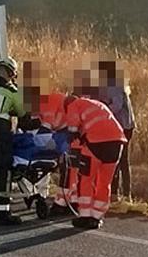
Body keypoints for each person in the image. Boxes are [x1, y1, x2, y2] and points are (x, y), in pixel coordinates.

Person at [37, 88, 127, 229]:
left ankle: (85, 215)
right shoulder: (97, 104)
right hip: (117, 142)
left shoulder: (74, 105)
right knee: (104, 182)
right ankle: (96, 217)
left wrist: (62, 144)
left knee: (86, 179)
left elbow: (72, 130)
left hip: (96, 142)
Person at [92, 60, 136, 198]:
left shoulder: (114, 85)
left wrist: (101, 111)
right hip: (117, 125)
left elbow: (116, 105)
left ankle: (123, 193)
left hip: (123, 126)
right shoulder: (105, 85)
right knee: (117, 159)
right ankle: (117, 192)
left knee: (120, 159)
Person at [0, 56, 26, 222]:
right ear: (12, 73)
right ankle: (1, 212)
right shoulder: (12, 91)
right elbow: (23, 114)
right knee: (3, 170)